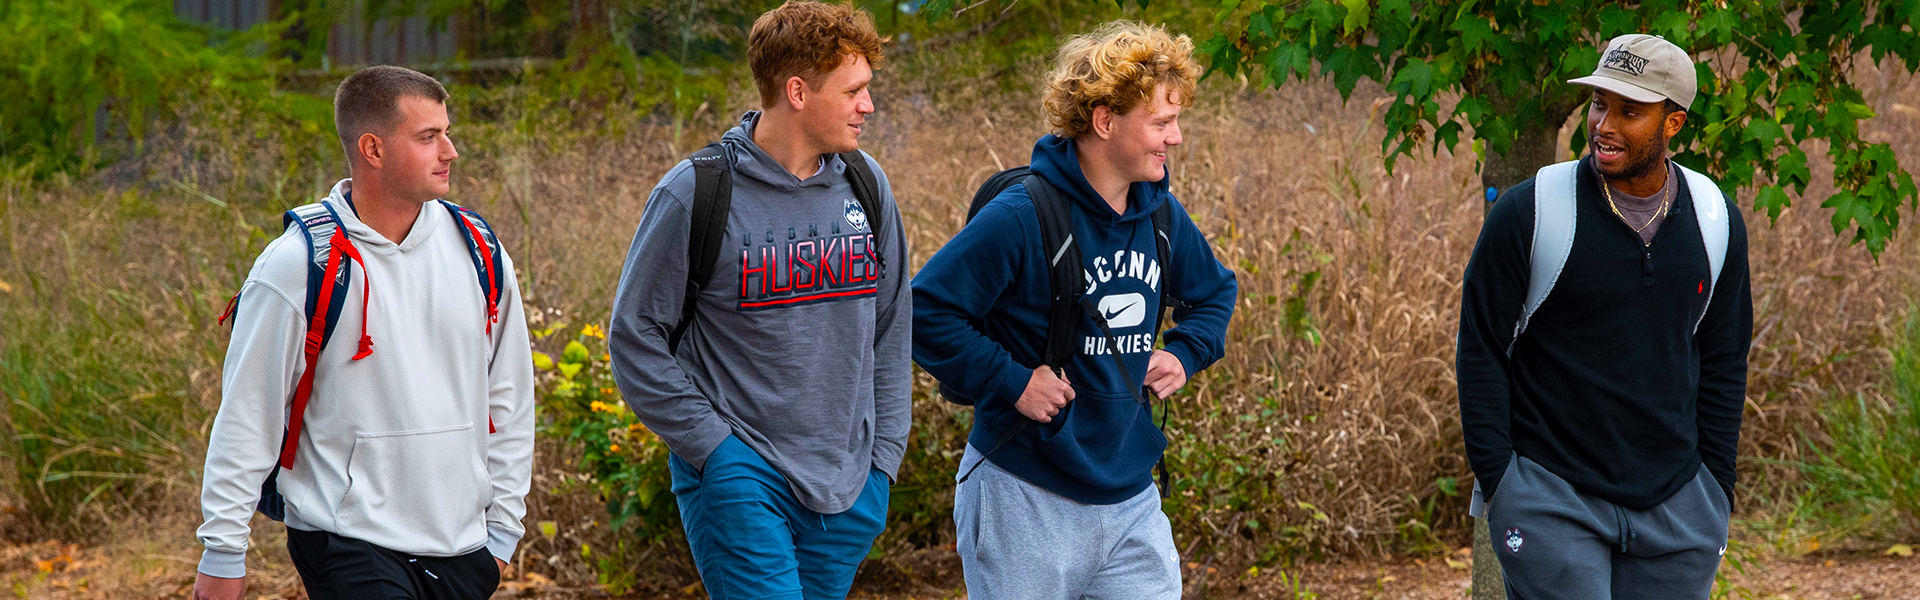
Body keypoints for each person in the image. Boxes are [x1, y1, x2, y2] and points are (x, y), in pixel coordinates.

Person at [910, 21, 1238, 600]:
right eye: (1161, 123)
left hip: (1132, 501)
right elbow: (923, 311)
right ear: (1105, 121)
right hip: (1022, 493)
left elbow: (1215, 292)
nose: (1176, 137)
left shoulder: (1161, 214)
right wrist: (1012, 381)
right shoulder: (1022, 215)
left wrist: (1185, 353)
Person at [194, 65, 535, 600]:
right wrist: (222, 551)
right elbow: (247, 414)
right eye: (428, 137)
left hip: (466, 548)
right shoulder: (299, 263)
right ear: (373, 148)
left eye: (447, 133)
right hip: (346, 542)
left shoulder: (480, 250)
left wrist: (502, 535)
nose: (450, 151)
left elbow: (510, 400)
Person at [605, 2, 909, 599]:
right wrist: (716, 453)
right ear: (797, 91)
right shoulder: (696, 191)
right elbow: (634, 337)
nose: (868, 105)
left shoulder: (867, 183)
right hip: (743, 479)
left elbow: (893, 324)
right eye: (853, 91)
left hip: (849, 488)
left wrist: (883, 461)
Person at [1456, 33, 1752, 600]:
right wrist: (1502, 484)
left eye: (1629, 111)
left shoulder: (1715, 221)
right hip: (1551, 497)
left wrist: (1716, 489)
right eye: (1598, 104)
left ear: (1673, 123)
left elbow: (1724, 359)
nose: (1603, 125)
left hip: (1677, 507)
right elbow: (1481, 347)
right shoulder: (1530, 212)